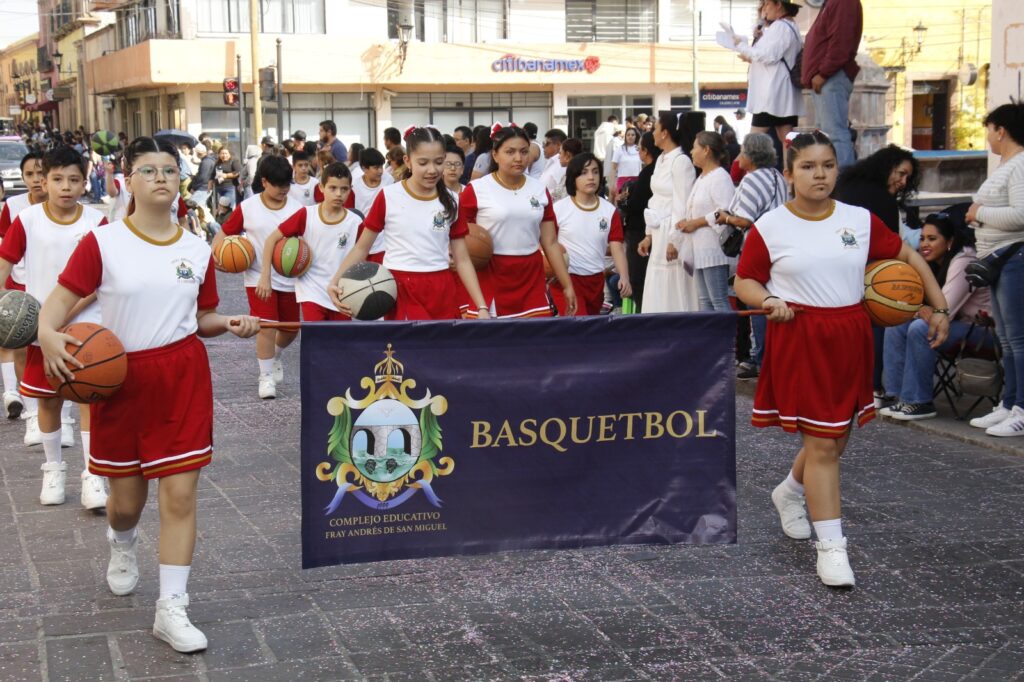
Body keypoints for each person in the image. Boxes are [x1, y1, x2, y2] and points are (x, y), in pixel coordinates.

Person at [38, 136, 259, 653]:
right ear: (128, 181)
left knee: (180, 495)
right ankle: (122, 541)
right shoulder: (104, 242)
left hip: (181, 376)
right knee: (125, 505)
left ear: (179, 181)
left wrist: (228, 321)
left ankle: (171, 608)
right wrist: (47, 333)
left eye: (169, 170)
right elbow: (61, 300)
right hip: (117, 379)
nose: (161, 177)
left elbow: (202, 317)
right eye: (149, 170)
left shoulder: (196, 248)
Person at [734, 131, 949, 587]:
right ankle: (832, 548)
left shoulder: (859, 219)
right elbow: (745, 280)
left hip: (851, 336)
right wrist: (769, 299)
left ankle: (789, 492)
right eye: (808, 166)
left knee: (834, 440)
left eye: (828, 165)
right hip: (801, 337)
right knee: (823, 447)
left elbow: (907, 255)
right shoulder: (770, 226)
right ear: (789, 174)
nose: (820, 175)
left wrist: (939, 307)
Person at [0, 146, 109, 510]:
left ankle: (93, 475)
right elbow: (5, 265)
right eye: (57, 179)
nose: (66, 187)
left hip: (87, 327)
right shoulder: (27, 220)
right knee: (48, 400)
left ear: (84, 183)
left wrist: (61, 316)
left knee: (89, 400)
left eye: (74, 180)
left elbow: (100, 281)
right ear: (43, 182)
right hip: (38, 331)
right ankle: (54, 470)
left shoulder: (97, 222)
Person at [329, 126, 489, 321]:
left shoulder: (452, 200)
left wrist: (482, 306)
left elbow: (462, 259)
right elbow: (362, 248)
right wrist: (335, 282)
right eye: (423, 162)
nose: (432, 170)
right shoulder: (389, 196)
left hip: (442, 290)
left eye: (439, 162)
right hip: (400, 289)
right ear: (407, 161)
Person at [456, 124, 576, 318]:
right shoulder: (476, 189)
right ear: (495, 155)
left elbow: (550, 242)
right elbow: (458, 240)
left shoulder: (539, 189)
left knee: (534, 337)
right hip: (491, 277)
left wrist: (567, 284)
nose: (518, 158)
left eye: (524, 151)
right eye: (510, 152)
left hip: (531, 277)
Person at [881, 214, 991, 420]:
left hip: (984, 333)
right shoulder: (931, 262)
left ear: (949, 242)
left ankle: (919, 402)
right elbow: (915, 305)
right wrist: (920, 309)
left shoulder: (964, 261)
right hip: (958, 327)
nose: (925, 244)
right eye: (922, 238)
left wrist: (922, 310)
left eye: (932, 239)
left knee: (921, 329)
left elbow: (944, 311)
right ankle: (896, 396)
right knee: (897, 322)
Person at [212, 156, 303, 400]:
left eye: (287, 184)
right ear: (264, 181)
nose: (283, 189)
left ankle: (274, 356)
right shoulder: (248, 208)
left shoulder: (298, 209)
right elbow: (223, 234)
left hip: (289, 278)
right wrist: (217, 257)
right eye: (278, 185)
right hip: (257, 278)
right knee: (267, 326)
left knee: (291, 329)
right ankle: (266, 376)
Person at [836, 144, 920, 406]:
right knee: (876, 326)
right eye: (901, 173)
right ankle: (873, 386)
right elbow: (893, 246)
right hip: (873, 271)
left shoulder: (846, 186)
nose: (903, 182)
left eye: (907, 177)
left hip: (838, 269)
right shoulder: (882, 200)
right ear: (887, 167)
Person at [965, 102, 1024, 436]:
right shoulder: (1007, 165)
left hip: (1014, 257)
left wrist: (980, 213)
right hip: (999, 259)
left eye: (989, 130)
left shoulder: (1020, 164)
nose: (987, 137)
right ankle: (1009, 402)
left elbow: (1021, 214)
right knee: (1006, 337)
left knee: (1018, 337)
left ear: (1001, 130)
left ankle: (1021, 408)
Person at [715, 133, 789, 379]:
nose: (738, 158)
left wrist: (725, 217)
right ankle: (772, 356)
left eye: (742, 152)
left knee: (757, 301)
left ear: (751, 155)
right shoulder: (777, 176)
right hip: (779, 244)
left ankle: (760, 358)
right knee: (773, 296)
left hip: (757, 246)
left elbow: (745, 219)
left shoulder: (752, 179)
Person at [261, 163, 360, 322]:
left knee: (341, 338)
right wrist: (265, 276)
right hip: (311, 291)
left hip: (342, 292)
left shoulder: (356, 222)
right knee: (315, 336)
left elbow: (367, 253)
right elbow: (271, 239)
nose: (338, 194)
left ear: (351, 189)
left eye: (344, 189)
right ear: (321, 187)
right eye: (333, 188)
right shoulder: (306, 214)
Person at [0, 151, 46, 437]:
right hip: (19, 283)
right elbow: (6, 250)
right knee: (19, 346)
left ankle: (54, 408)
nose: (36, 179)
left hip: (51, 285)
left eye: (41, 173)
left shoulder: (69, 209)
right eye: (30, 174)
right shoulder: (13, 207)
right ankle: (30, 409)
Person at [551, 153, 631, 315]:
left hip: (596, 281)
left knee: (589, 328)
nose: (591, 177)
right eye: (584, 172)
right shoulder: (558, 209)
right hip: (566, 280)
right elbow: (547, 243)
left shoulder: (610, 211)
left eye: (595, 172)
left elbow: (617, 248)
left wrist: (624, 276)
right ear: (573, 177)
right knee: (579, 325)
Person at [637, 112, 698, 313]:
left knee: (673, 281)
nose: (652, 132)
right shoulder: (662, 159)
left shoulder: (681, 161)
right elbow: (655, 199)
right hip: (658, 231)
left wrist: (675, 239)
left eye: (655, 128)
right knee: (657, 282)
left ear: (664, 133)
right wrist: (648, 235)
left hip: (672, 231)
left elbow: (682, 203)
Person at [674, 131, 736, 312]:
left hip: (714, 248)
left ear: (707, 150)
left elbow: (725, 211)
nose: (691, 152)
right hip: (700, 248)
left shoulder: (720, 177)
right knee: (705, 301)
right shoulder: (702, 177)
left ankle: (725, 331)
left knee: (718, 300)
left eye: (695, 148)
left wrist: (696, 222)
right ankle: (711, 331)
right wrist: (687, 221)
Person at [801, 0, 863, 169]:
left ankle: (843, 179)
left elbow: (841, 43)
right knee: (828, 134)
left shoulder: (842, 2)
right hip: (827, 77)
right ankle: (834, 177)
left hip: (831, 76)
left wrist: (823, 73)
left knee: (835, 134)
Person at [737, 0, 804, 144]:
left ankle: (740, 161)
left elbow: (768, 55)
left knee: (752, 142)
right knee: (787, 140)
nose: (764, 9)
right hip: (781, 92)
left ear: (778, 5)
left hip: (771, 93)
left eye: (767, 4)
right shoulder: (789, 26)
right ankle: (793, 161)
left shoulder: (781, 26)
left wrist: (740, 45)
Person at [621, 132, 660, 310]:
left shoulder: (648, 173)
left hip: (641, 232)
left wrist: (624, 202)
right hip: (648, 231)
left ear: (645, 150)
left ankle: (642, 315)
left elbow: (636, 204)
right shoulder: (656, 170)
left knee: (638, 279)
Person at [610, 127, 642, 201]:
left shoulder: (639, 149)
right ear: (625, 136)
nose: (630, 136)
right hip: (623, 181)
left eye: (633, 135)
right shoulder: (619, 149)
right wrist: (612, 183)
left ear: (636, 136)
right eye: (628, 135)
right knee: (622, 203)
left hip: (637, 180)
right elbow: (613, 168)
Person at [189, 143, 215, 215]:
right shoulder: (207, 160)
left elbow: (203, 177)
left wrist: (194, 187)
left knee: (192, 207)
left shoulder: (206, 162)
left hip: (203, 188)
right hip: (205, 187)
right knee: (202, 209)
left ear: (198, 153)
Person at [213, 147, 241, 211]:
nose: (224, 155)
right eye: (222, 153)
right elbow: (213, 174)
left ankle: (230, 217)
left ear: (229, 154)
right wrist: (210, 183)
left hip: (230, 187)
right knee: (221, 208)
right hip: (219, 188)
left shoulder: (234, 161)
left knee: (227, 206)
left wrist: (226, 175)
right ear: (219, 154)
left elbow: (238, 172)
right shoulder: (217, 163)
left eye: (226, 153)